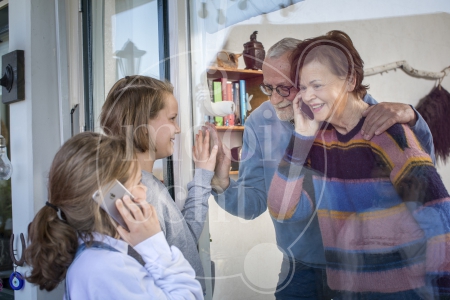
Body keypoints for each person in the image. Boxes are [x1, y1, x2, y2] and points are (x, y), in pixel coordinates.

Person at [207, 37, 435, 299]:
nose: (274, 100)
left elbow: (422, 172)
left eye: (285, 88)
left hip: (363, 264)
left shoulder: (358, 112)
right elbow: (254, 204)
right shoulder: (260, 123)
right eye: (268, 87)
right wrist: (222, 182)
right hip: (300, 267)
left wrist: (413, 118)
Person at [268, 30, 450, 299]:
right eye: (303, 87)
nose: (307, 96)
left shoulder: (388, 133)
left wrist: (443, 292)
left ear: (350, 80)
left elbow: (439, 217)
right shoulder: (318, 140)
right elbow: (283, 210)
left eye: (317, 85)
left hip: (405, 292)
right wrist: (302, 137)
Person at [24, 132, 203, 299]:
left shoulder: (90, 260)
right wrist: (154, 245)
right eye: (138, 182)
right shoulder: (108, 269)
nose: (145, 189)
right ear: (111, 198)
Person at [100, 75, 217, 291]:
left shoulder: (147, 183)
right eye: (172, 118)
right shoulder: (140, 193)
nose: (178, 129)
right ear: (143, 125)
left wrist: (202, 174)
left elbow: (183, 243)